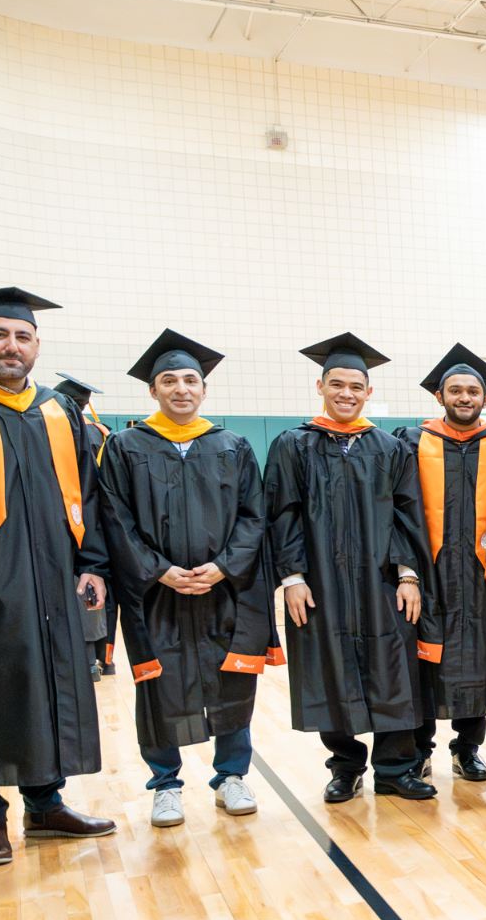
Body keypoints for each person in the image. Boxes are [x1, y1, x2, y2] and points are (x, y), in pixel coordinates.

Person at [0, 288, 114, 866]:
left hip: (55, 579)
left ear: (37, 344)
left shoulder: (58, 410)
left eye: (23, 336)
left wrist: (92, 565)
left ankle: (45, 803)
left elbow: (89, 493)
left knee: (51, 684)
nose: (12, 346)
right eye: (0, 334)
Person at [101, 329, 273, 828]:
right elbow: (115, 518)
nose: (181, 388)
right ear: (151, 390)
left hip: (223, 589)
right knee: (159, 683)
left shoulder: (231, 445)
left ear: (204, 389)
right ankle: (165, 783)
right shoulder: (126, 446)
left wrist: (223, 566)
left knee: (233, 678)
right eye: (169, 380)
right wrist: (160, 571)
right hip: (157, 594)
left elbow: (253, 516)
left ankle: (232, 776)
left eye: (190, 380)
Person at [265, 333, 437, 803]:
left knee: (393, 668)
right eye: (337, 384)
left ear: (369, 392)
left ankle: (396, 769)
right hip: (319, 580)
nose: (346, 393)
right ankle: (345, 767)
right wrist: (292, 577)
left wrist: (408, 573)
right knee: (330, 666)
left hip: (382, 581)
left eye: (355, 386)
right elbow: (283, 514)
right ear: (320, 386)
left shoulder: (390, 447)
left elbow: (408, 513)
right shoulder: (293, 445)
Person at [397, 344, 486, 784]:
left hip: (482, 576)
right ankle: (420, 751)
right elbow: (399, 511)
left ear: (485, 398)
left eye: (472, 391)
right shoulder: (412, 442)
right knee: (424, 664)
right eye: (455, 390)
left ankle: (468, 750)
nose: (464, 398)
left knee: (477, 664)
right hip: (429, 573)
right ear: (439, 397)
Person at [53, 370, 115, 679]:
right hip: (96, 518)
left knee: (85, 587)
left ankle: (90, 660)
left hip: (79, 519)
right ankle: (106, 658)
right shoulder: (100, 431)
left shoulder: (79, 431)